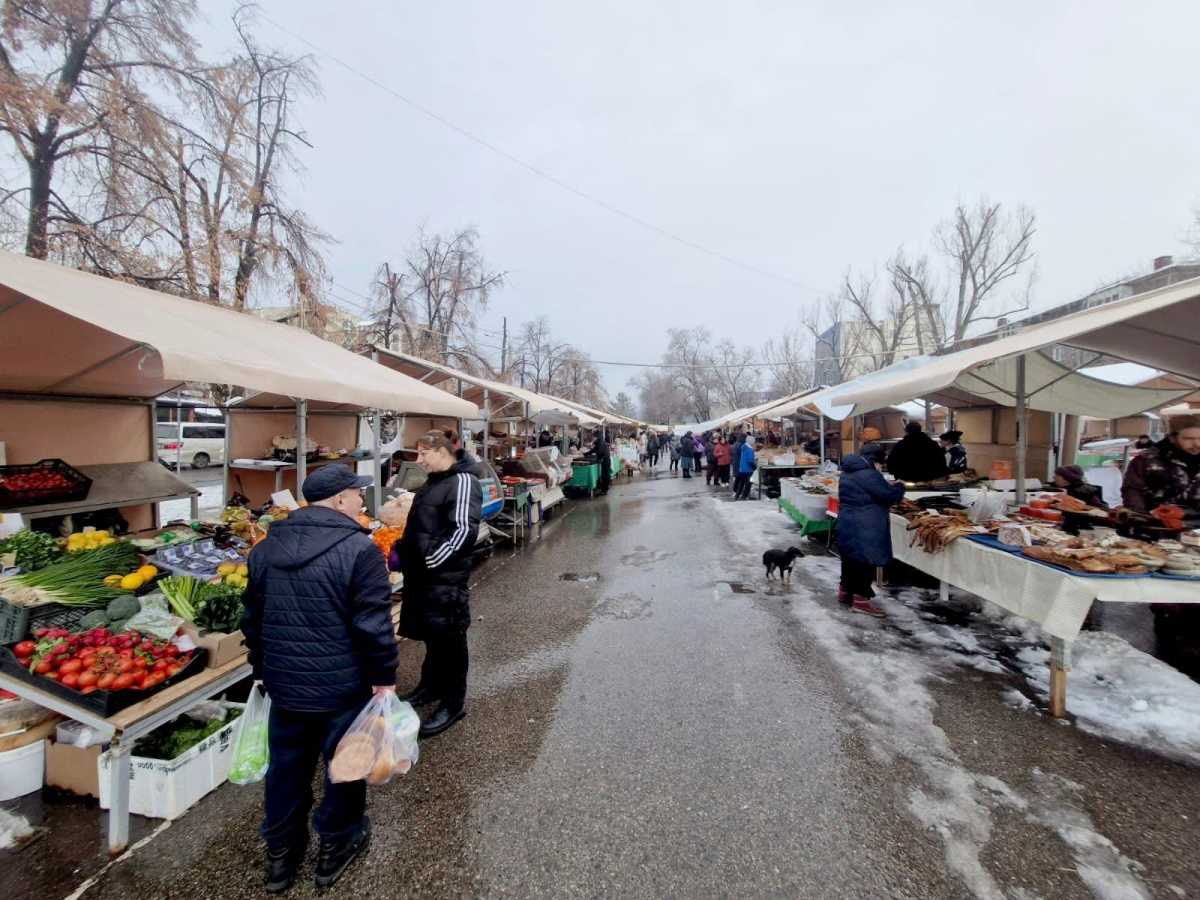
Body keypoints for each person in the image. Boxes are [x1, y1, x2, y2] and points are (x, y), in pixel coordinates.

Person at [242, 466, 398, 893]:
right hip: (341, 688)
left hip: (285, 686)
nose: (362, 502)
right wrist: (384, 678)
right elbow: (373, 625)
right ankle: (337, 844)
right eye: (356, 494)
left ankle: (281, 857)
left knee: (286, 770)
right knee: (345, 768)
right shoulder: (359, 551)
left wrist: (261, 669)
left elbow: (252, 620)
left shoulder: (264, 549)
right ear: (338, 500)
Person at [394, 431, 482, 739]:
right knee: (433, 637)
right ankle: (429, 687)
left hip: (444, 580)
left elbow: (462, 532)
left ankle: (453, 703)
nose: (419, 461)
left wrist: (430, 562)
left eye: (423, 454)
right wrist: (403, 551)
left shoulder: (463, 481)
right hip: (425, 579)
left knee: (451, 642)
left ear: (443, 452)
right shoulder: (437, 480)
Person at [836, 446, 905, 618]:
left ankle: (845, 592)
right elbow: (889, 496)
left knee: (850, 558)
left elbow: (865, 491)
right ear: (875, 461)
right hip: (866, 523)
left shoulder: (848, 471)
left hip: (848, 519)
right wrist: (899, 487)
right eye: (881, 464)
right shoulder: (869, 474)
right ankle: (861, 600)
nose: (881, 467)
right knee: (866, 560)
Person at [1121, 414, 1200, 514]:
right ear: (1172, 438)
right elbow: (1133, 491)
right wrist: (1142, 518)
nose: (1197, 444)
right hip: (1159, 523)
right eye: (1189, 439)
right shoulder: (1146, 460)